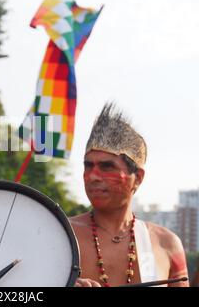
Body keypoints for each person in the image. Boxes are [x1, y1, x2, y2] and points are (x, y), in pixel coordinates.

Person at [70, 104, 189, 287]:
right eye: (88, 165)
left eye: (106, 166)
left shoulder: (166, 244)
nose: (93, 176)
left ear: (138, 177)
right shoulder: (62, 234)